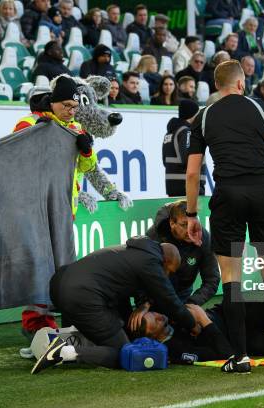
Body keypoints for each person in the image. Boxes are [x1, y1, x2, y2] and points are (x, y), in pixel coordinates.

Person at [185, 60, 264, 373]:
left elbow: (193, 172)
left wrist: (192, 213)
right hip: (262, 193)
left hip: (228, 195)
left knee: (232, 279)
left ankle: (241, 358)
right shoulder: (261, 108)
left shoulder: (204, 116)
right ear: (241, 82)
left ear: (217, 85)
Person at [31, 237, 197, 373]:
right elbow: (170, 300)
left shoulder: (135, 251)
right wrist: (192, 324)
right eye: (169, 271)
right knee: (125, 353)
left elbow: (125, 294)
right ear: (165, 261)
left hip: (61, 285)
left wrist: (143, 306)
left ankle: (51, 341)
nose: (167, 276)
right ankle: (64, 352)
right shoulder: (151, 263)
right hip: (83, 295)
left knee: (105, 332)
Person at [13, 75, 98, 338]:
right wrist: (36, 134)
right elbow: (15, 157)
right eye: (66, 106)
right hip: (35, 210)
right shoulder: (29, 122)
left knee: (59, 269)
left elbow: (87, 167)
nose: (71, 112)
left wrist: (87, 151)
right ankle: (35, 323)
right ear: (53, 103)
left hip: (64, 213)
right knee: (39, 267)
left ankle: (47, 320)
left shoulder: (76, 128)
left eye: (74, 107)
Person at [135, 302, 264, 363]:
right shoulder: (177, 350)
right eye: (155, 321)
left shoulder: (170, 311)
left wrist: (144, 307)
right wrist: (204, 322)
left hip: (231, 313)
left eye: (154, 313)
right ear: (151, 336)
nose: (160, 316)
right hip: (241, 340)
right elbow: (222, 353)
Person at [145, 200, 216, 307]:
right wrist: (145, 303)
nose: (190, 230)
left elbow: (212, 279)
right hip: (156, 295)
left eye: (193, 223)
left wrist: (192, 303)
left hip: (184, 293)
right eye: (184, 225)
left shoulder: (204, 237)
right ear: (172, 223)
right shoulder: (154, 237)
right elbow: (143, 274)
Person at [161, 103, 205, 197]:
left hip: (172, 185)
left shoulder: (170, 132)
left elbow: (165, 161)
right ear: (192, 115)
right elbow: (190, 160)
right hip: (187, 186)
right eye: (197, 114)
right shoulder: (186, 132)